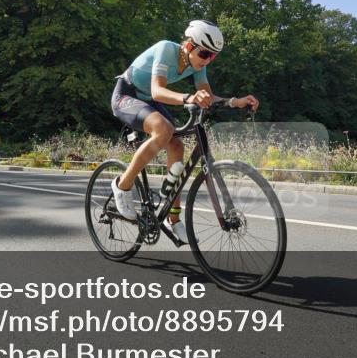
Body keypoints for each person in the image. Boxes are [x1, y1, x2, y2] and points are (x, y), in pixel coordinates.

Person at [110, 19, 258, 243]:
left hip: (148, 100)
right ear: (189, 45)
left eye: (213, 56)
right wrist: (189, 98)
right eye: (205, 54)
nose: (208, 60)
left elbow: (208, 96)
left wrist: (234, 101)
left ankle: (173, 218)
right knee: (163, 129)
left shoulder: (199, 64)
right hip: (127, 95)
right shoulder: (165, 49)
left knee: (177, 145)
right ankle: (123, 185)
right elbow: (158, 91)